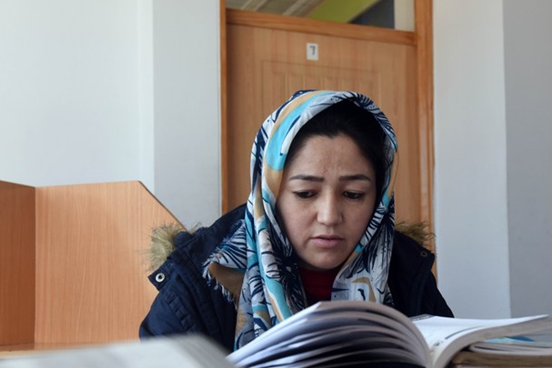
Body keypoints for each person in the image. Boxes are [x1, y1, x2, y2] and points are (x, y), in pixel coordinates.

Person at [140, 90, 453, 352]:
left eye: (354, 194)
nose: (330, 216)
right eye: (305, 193)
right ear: (270, 195)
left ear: (380, 197)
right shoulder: (201, 280)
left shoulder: (406, 270)